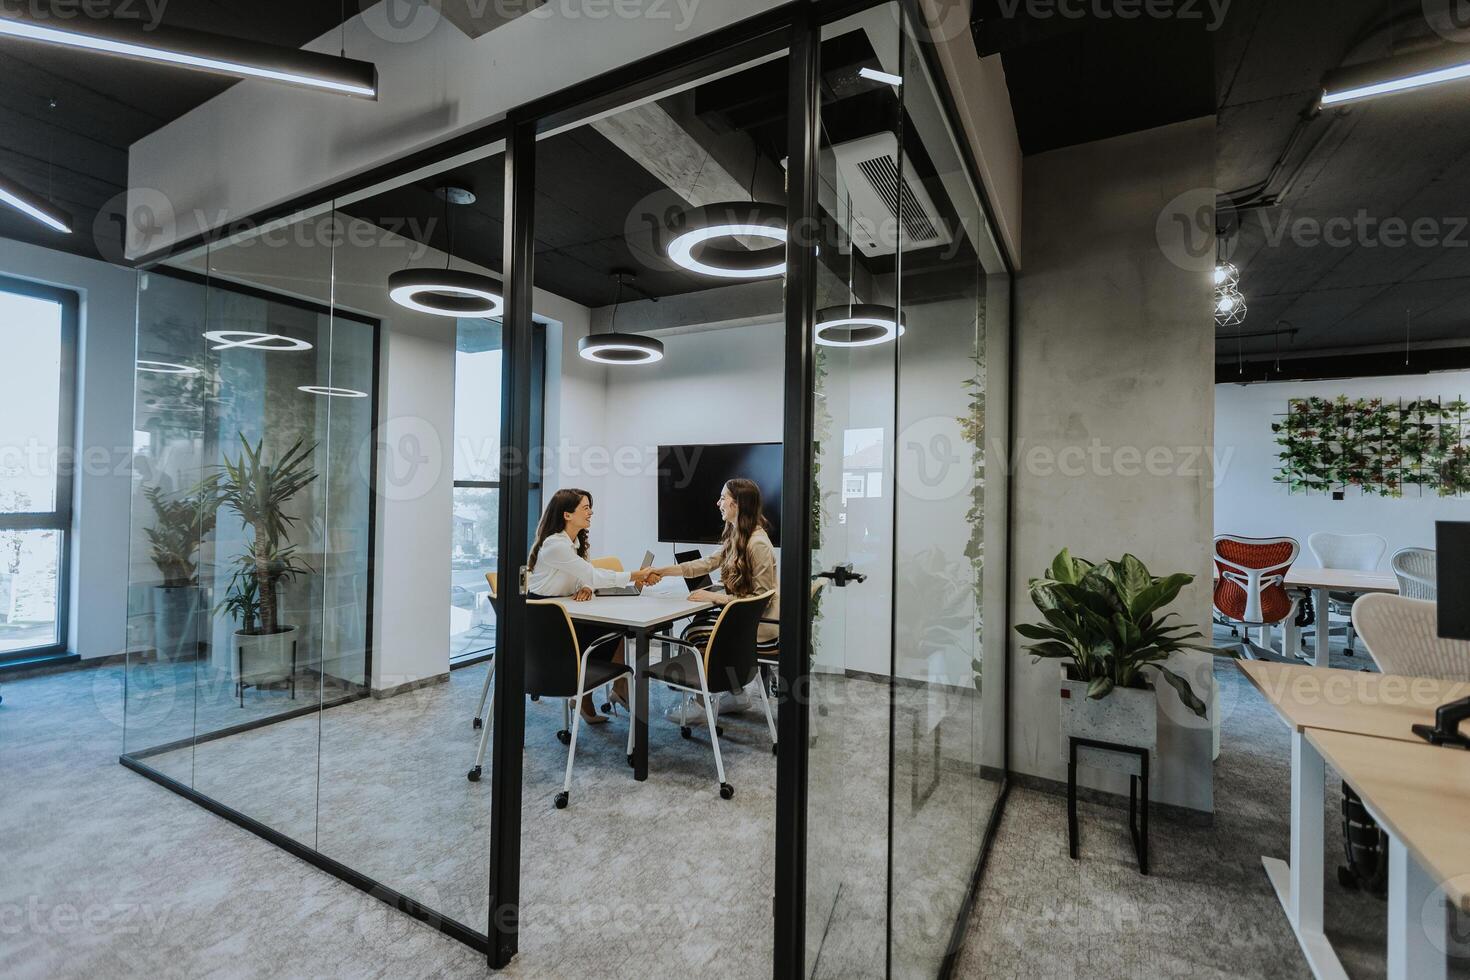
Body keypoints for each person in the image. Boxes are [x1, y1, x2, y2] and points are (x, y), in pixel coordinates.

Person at [649, 478, 778, 720]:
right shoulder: (739, 535)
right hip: (748, 619)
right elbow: (705, 564)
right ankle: (737, 694)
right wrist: (661, 571)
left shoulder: (757, 543)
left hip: (761, 626)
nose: (717, 502)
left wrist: (714, 597)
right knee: (699, 622)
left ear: (737, 504)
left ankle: (701, 704)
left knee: (695, 633)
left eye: (722, 498)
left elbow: (762, 598)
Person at [527, 488, 660, 723]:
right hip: (545, 623)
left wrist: (587, 587)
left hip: (565, 613)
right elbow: (592, 574)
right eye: (585, 508)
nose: (591, 513)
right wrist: (637, 574)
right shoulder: (555, 545)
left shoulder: (576, 542)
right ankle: (602, 692)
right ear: (567, 515)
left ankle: (604, 693)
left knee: (618, 630)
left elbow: (584, 576)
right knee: (614, 631)